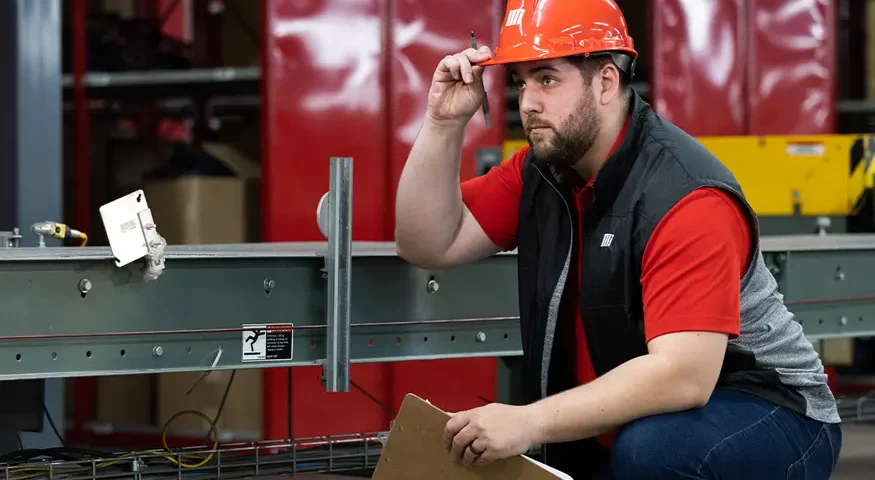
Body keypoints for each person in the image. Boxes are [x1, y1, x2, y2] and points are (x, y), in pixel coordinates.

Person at [394, 0, 843, 478]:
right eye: (522, 82)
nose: (527, 102)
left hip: (773, 408)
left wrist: (527, 421)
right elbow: (427, 243)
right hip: (649, 417)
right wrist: (444, 123)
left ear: (606, 82)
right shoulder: (542, 173)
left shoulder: (684, 195)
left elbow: (684, 376)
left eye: (547, 78)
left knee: (654, 454)